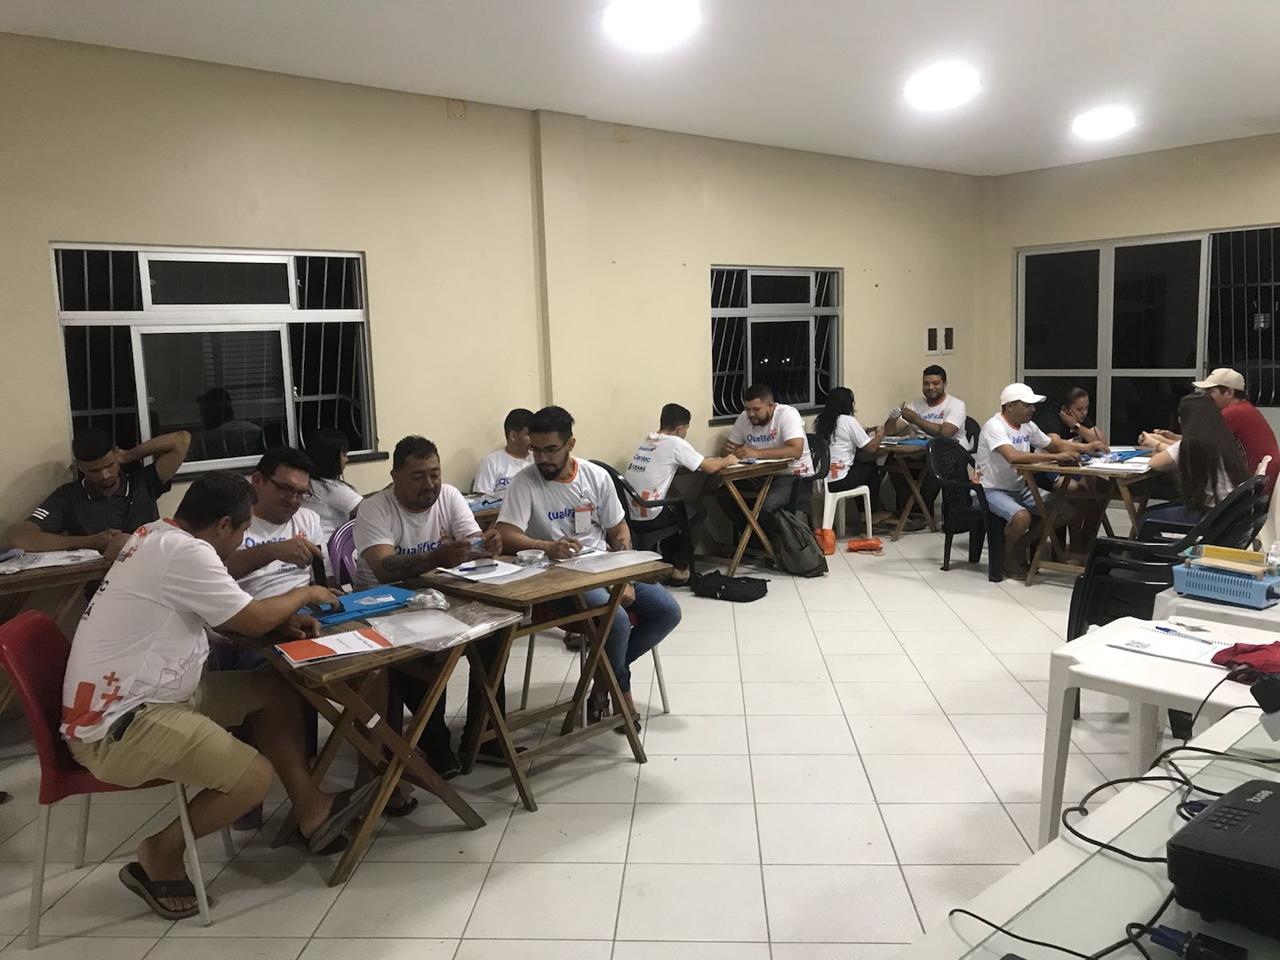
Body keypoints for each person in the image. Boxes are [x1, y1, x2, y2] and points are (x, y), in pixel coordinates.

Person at [61, 473, 372, 920]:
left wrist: (277, 619)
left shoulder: (156, 534)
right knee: (253, 778)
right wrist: (305, 593)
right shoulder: (189, 552)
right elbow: (250, 620)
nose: (243, 539)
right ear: (224, 525)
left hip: (147, 694)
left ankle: (311, 808)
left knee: (273, 690)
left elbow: (224, 612)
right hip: (122, 725)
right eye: (243, 529)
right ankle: (160, 852)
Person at [497, 406, 682, 728]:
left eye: (551, 450)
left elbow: (619, 530)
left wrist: (624, 577)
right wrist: (546, 546)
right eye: (536, 450)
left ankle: (600, 678)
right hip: (558, 579)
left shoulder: (594, 476)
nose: (542, 458)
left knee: (668, 611)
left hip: (604, 566)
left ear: (570, 444)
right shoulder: (525, 482)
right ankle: (619, 692)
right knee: (616, 620)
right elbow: (506, 534)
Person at [354, 436, 505, 775]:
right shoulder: (375, 508)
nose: (430, 484)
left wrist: (487, 544)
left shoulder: (449, 496)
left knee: (496, 634)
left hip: (437, 597)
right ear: (395, 477)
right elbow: (383, 568)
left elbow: (472, 545)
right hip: (383, 605)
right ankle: (434, 742)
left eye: (435, 474)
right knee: (421, 651)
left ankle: (485, 736)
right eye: (418, 476)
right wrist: (437, 557)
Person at [9, 427, 190, 558]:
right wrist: (90, 542)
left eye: (110, 465)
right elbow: (21, 539)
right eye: (94, 471)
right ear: (80, 467)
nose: (105, 475)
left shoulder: (143, 482)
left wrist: (129, 455)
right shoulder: (69, 496)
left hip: (151, 573)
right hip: (102, 584)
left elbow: (181, 440)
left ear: (116, 456)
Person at [624, 403, 738, 586]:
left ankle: (669, 562)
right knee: (697, 511)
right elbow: (709, 467)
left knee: (679, 506)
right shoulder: (675, 443)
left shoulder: (649, 440)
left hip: (631, 513)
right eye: (686, 429)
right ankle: (681, 567)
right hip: (651, 514)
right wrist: (728, 460)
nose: (686, 433)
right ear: (679, 428)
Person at [975, 384, 1080, 578]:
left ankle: (1021, 545)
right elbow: (1012, 456)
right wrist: (1056, 457)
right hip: (990, 490)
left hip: (1019, 487)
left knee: (1065, 510)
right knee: (1022, 517)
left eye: (1033, 405)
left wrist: (1086, 448)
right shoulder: (994, 426)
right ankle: (1007, 557)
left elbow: (1052, 444)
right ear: (1010, 406)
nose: (1032, 409)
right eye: (1027, 405)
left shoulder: (1027, 425)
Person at [1138, 393, 1250, 534]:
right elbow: (1182, 449)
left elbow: (1155, 463)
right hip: (1229, 511)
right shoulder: (1220, 437)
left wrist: (1153, 442)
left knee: (1146, 518)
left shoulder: (1194, 443)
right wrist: (1165, 440)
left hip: (1212, 514)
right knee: (1151, 511)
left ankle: (1147, 548)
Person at [1150, 369, 1278, 492]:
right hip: (1259, 479)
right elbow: (1201, 441)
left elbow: (1196, 448)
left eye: (1211, 391)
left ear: (1229, 393)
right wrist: (1172, 437)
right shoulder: (1245, 407)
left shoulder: (1232, 413)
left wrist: (1157, 442)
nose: (1206, 397)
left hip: (1252, 482)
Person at [225, 448, 325, 598]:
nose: (293, 500)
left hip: (306, 603)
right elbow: (217, 572)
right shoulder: (230, 522)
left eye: (301, 493)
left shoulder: (308, 519)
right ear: (257, 480)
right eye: (285, 489)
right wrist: (273, 551)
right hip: (255, 607)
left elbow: (321, 577)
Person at [883, 365, 967, 529]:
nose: (930, 387)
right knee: (893, 461)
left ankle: (921, 512)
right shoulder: (916, 405)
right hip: (921, 450)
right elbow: (890, 431)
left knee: (933, 462)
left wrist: (916, 420)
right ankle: (915, 511)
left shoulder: (956, 405)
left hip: (950, 452)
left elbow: (945, 433)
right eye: (926, 383)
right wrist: (892, 419)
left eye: (935, 383)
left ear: (944, 384)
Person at [722, 383, 815, 521]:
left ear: (770, 406)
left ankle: (768, 535)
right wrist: (733, 452)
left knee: (765, 508)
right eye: (747, 409)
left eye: (756, 409)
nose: (751, 414)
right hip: (760, 474)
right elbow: (731, 448)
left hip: (792, 475)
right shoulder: (744, 418)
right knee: (725, 495)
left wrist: (756, 454)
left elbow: (795, 450)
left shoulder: (787, 415)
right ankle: (755, 535)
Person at [815, 387, 885, 511]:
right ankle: (871, 514)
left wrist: (864, 431)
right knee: (871, 469)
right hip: (839, 480)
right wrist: (880, 434)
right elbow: (871, 448)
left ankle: (867, 513)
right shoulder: (847, 420)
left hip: (822, 481)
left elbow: (840, 438)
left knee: (857, 463)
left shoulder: (821, 420)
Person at [306, 429, 363, 543]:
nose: (347, 459)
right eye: (344, 455)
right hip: (331, 547)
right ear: (331, 458)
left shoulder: (311, 482)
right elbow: (370, 509)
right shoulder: (329, 488)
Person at [474, 408, 535, 498]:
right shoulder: (491, 462)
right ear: (513, 436)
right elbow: (482, 499)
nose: (534, 439)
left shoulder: (537, 460)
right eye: (529, 435)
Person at [1034, 387, 1109, 453]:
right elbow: (1055, 445)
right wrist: (1085, 448)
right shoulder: (1050, 419)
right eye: (1079, 409)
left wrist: (1075, 426)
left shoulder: (1080, 418)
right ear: (1065, 409)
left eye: (1086, 408)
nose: (1085, 412)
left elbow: (1102, 443)